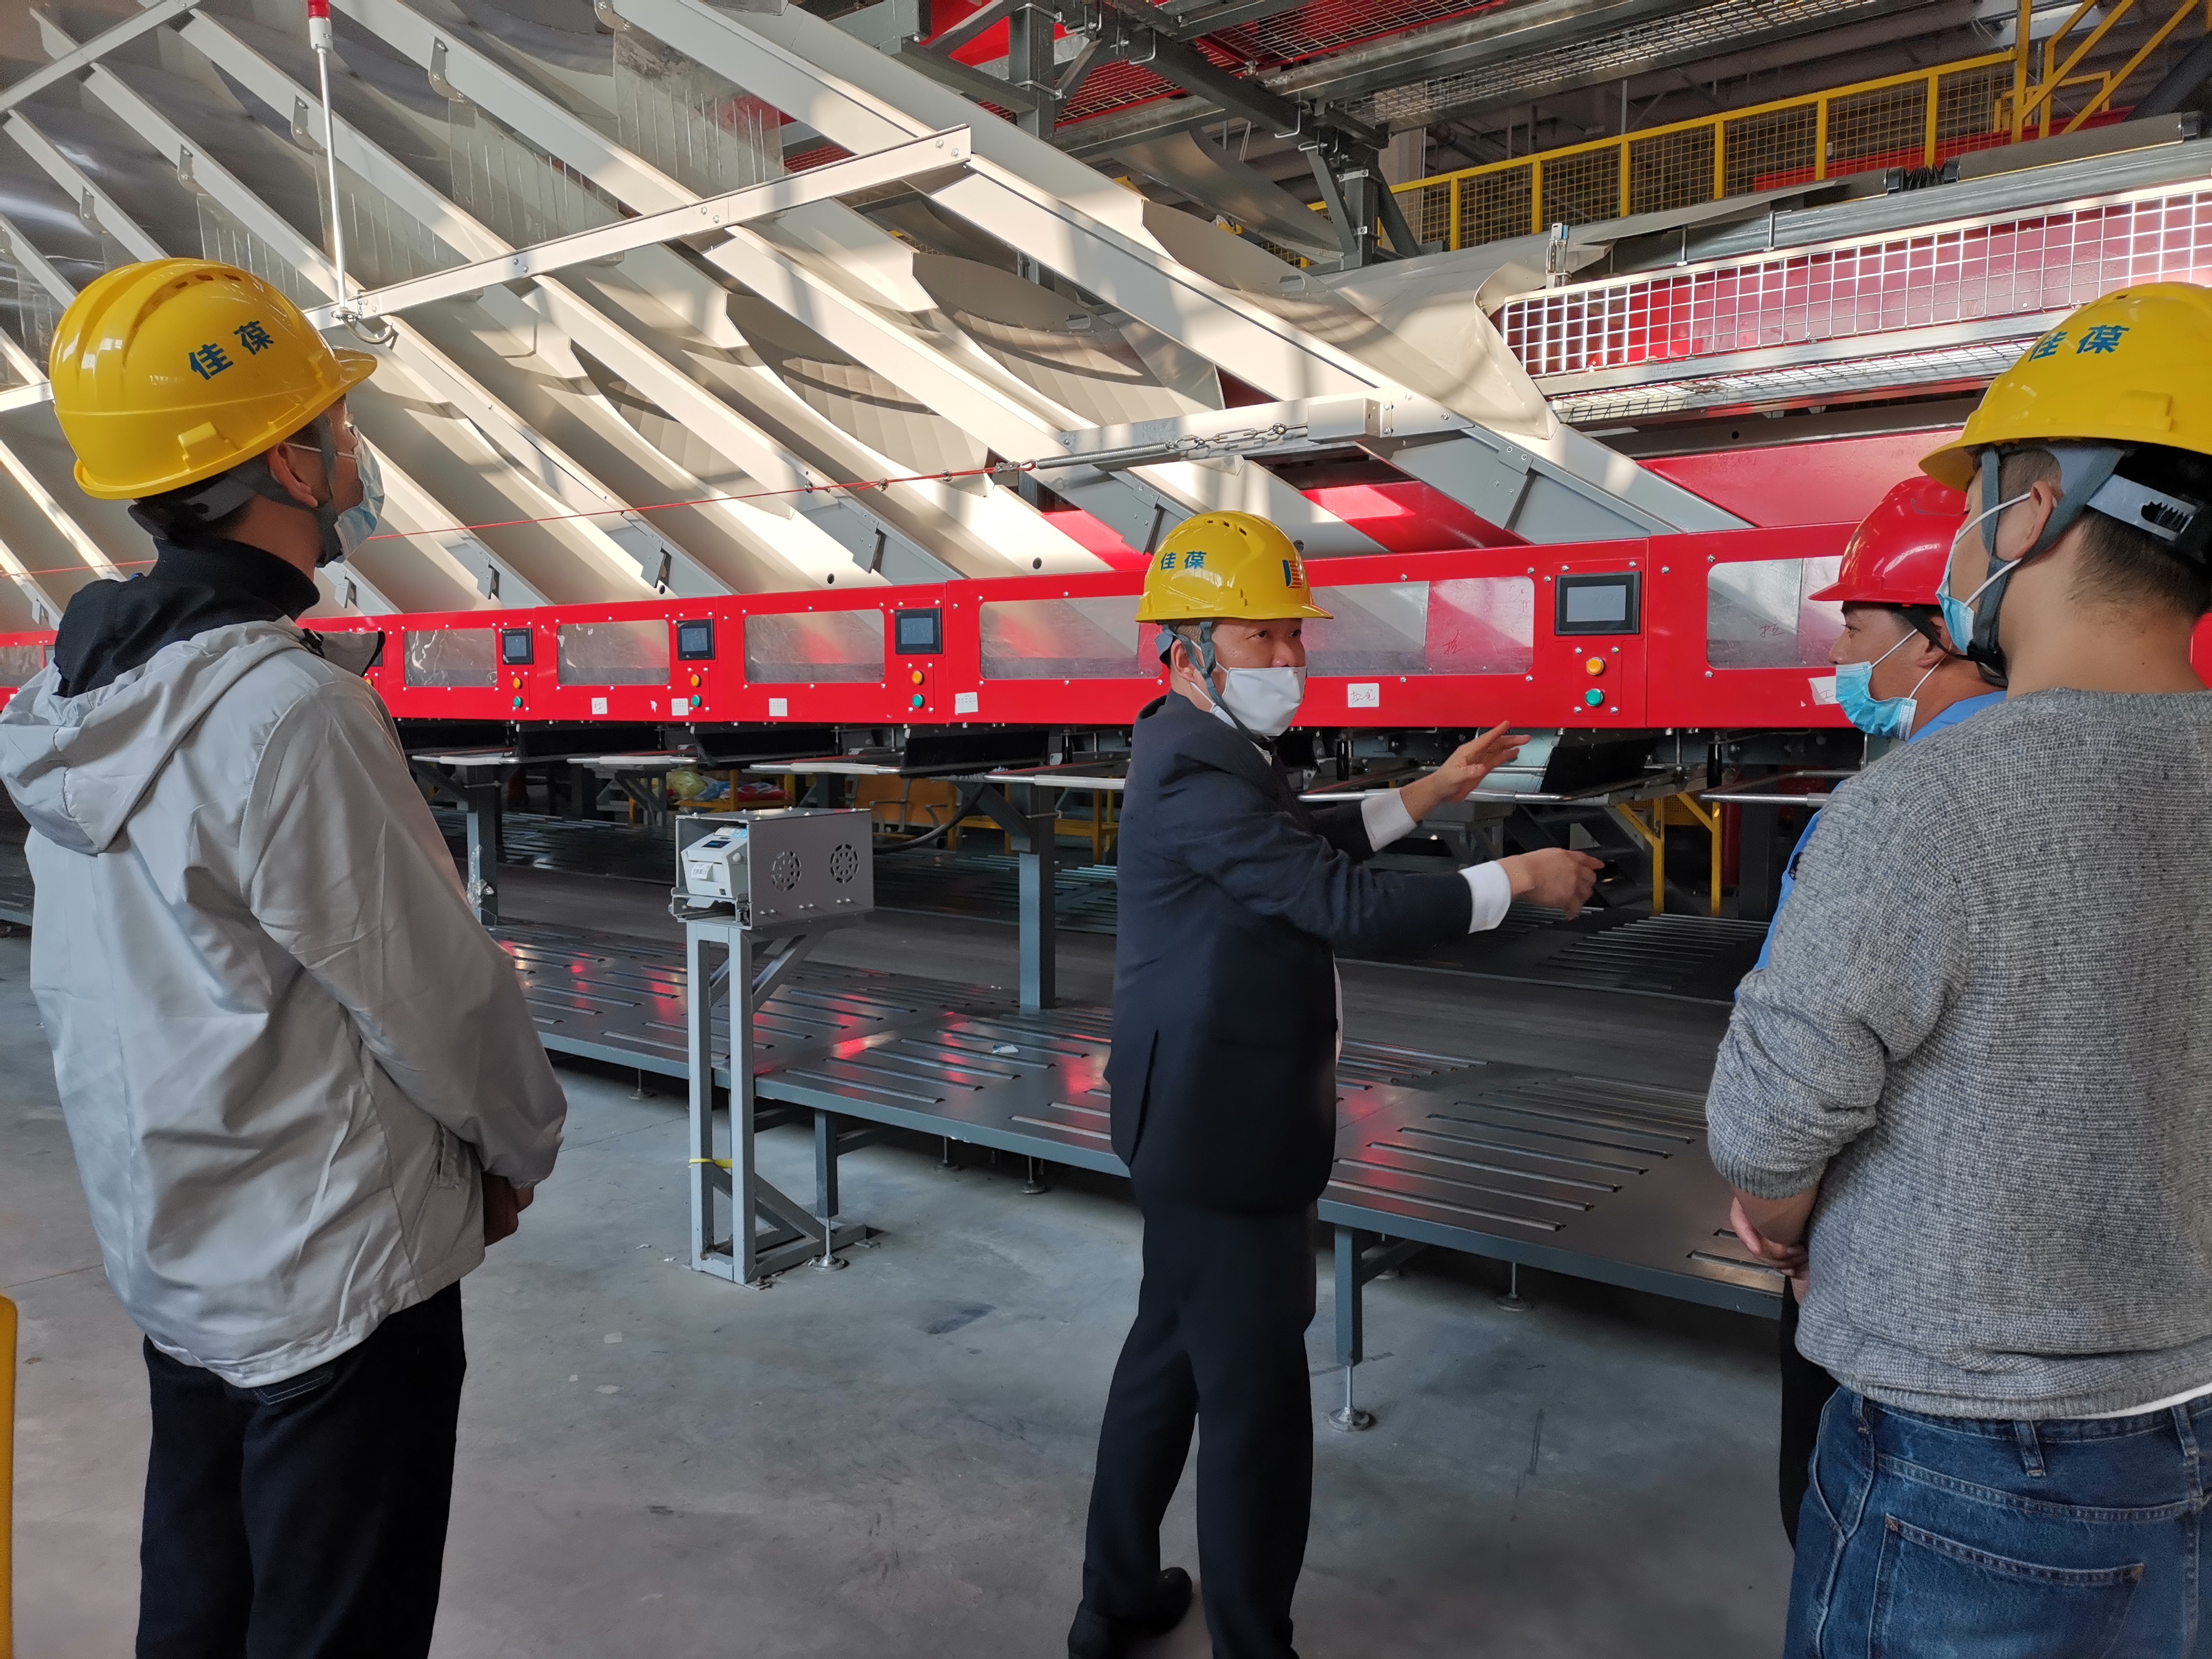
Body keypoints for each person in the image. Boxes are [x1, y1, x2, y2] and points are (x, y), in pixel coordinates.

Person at [0, 259, 566, 1657]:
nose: (352, 455)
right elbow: (432, 997)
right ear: (285, 465)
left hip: (178, 1249)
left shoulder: (67, 701)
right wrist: (516, 1149)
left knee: (202, 1599)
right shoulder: (287, 711)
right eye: (334, 427)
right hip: (334, 1275)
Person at [1710, 283, 2212, 1655]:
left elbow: (1766, 1135)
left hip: (1967, 1461)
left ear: (2033, 509)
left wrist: (1780, 1220)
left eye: (1978, 497)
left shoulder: (1922, 807)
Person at [1070, 510, 1602, 1659]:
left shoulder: (1204, 745)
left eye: (1293, 635)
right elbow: (1332, 902)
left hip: (1192, 1117)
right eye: (1263, 637)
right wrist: (1510, 880)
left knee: (1169, 1354)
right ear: (1188, 648)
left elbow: (1293, 843)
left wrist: (1427, 792)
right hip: (1224, 1135)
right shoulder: (1194, 766)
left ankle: (1114, 1599)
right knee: (1255, 1408)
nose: (1290, 658)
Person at [1730, 475, 2004, 1546]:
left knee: (1836, 1527)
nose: (1840, 653)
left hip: (1867, 1274)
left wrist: (1785, 1231)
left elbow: (1789, 1085)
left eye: (1854, 625)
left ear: (1931, 637)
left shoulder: (1886, 813)